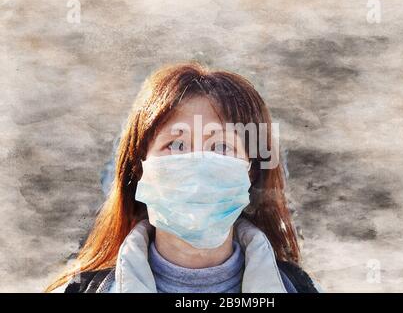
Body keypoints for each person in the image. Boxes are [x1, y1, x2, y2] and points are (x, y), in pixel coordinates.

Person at [46, 62, 320, 293]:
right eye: (176, 145)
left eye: (221, 147)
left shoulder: (301, 288)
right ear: (139, 168)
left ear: (251, 171)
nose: (198, 165)